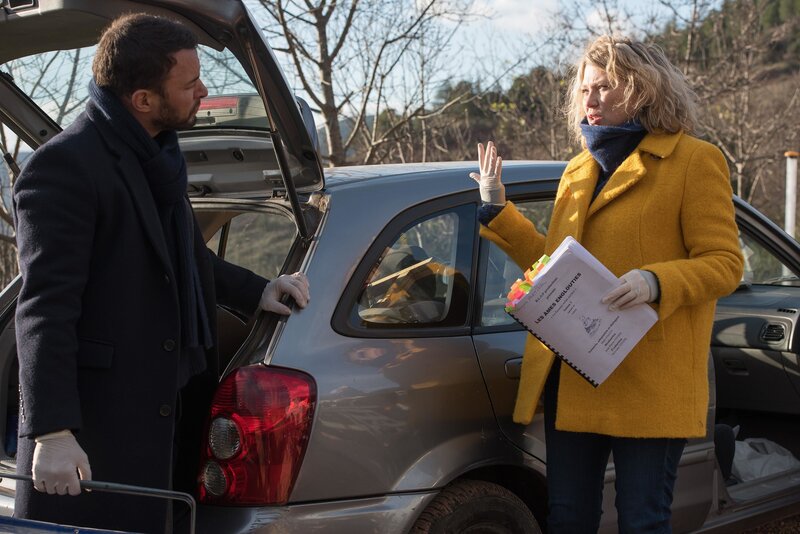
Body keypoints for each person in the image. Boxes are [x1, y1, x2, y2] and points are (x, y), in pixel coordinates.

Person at [13, 13, 310, 532]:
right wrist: (52, 431)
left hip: (165, 411)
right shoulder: (64, 167)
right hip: (97, 427)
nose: (203, 91)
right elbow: (44, 307)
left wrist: (259, 290)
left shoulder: (159, 155)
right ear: (143, 100)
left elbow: (188, 261)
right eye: (189, 83)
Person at [471, 35, 743, 533]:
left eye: (603, 87)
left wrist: (655, 281)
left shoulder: (694, 160)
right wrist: (497, 209)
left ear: (642, 88)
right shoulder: (578, 169)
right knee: (569, 519)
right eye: (584, 89)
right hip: (576, 371)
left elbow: (725, 263)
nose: (589, 99)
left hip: (650, 377)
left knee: (642, 521)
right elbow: (554, 270)